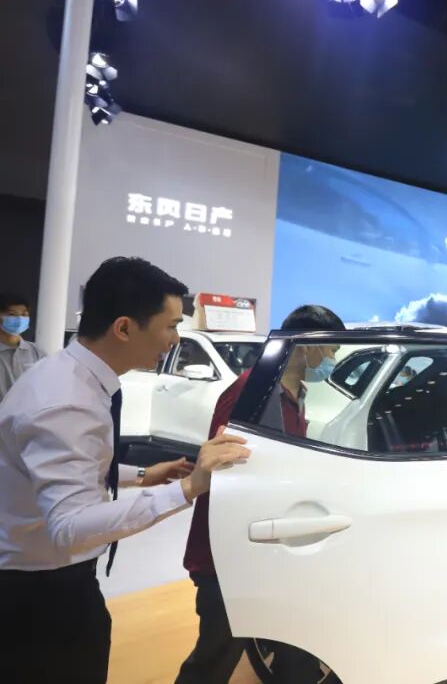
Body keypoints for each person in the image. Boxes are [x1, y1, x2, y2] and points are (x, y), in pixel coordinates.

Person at [0, 257, 250, 684]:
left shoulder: (69, 377)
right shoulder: (66, 400)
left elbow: (67, 468)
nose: (175, 340)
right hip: (40, 595)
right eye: (171, 326)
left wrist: (141, 475)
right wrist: (190, 487)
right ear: (124, 328)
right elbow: (69, 526)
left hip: (43, 583)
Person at [176, 305, 345, 684]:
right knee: (214, 659)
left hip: (270, 550)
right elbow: (226, 479)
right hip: (230, 558)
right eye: (331, 349)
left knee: (294, 651)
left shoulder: (294, 394)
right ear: (307, 346)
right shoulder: (249, 394)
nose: (332, 360)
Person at [0, 292, 45, 401]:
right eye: (12, 314)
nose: (19, 319)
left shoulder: (37, 353)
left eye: (24, 315)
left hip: (29, 411)